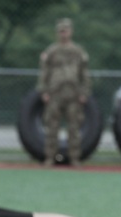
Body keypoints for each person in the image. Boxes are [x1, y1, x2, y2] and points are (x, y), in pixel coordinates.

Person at [38, 18, 91, 167]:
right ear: (57, 33)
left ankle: (74, 158)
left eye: (66, 30)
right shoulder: (52, 51)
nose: (63, 33)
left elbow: (84, 73)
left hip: (73, 93)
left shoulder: (78, 51)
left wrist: (84, 92)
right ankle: (50, 157)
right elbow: (44, 72)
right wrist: (44, 91)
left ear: (71, 31)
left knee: (74, 127)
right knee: (52, 126)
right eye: (61, 31)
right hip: (55, 93)